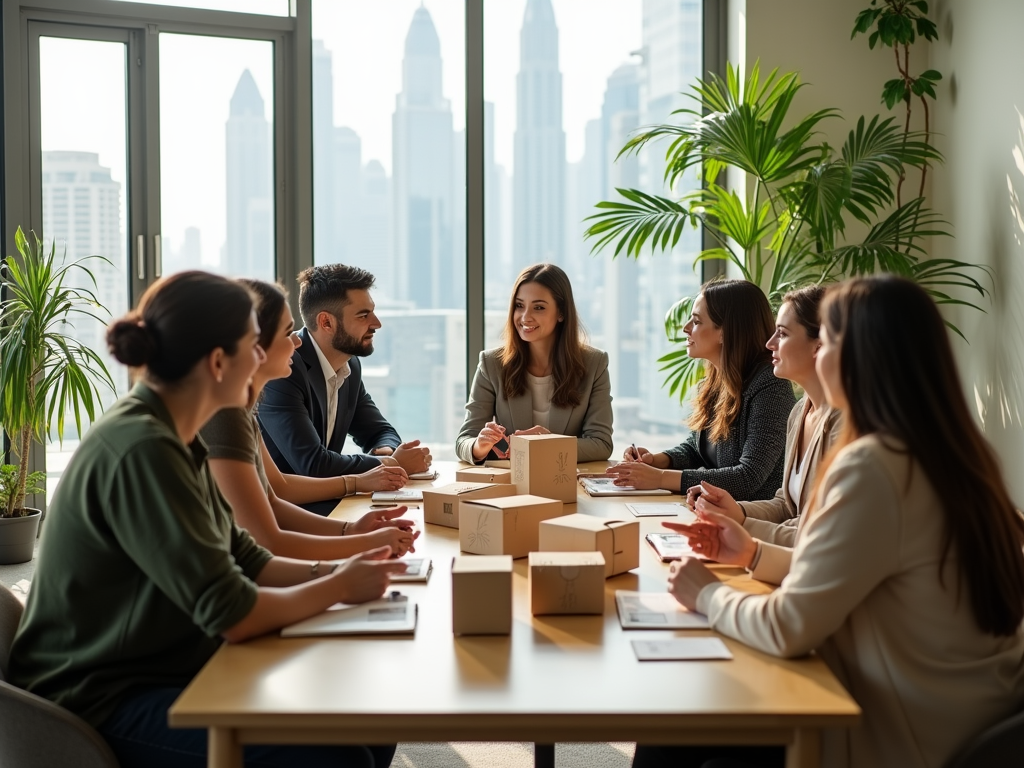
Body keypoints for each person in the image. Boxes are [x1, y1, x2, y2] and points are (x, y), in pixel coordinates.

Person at [9, 272, 404, 768]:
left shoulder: (176, 434)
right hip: (104, 697)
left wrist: (348, 570)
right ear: (219, 362)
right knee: (339, 756)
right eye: (252, 347)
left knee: (370, 718)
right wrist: (340, 585)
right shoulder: (144, 449)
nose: (263, 357)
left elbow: (247, 557)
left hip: (161, 662)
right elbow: (233, 614)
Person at [652, 276, 1024, 768]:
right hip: (964, 717)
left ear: (859, 354)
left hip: (899, 733)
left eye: (824, 338)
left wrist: (705, 593)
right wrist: (752, 552)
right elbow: (854, 567)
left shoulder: (875, 466)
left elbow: (789, 626)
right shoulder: (955, 453)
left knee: (678, 726)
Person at [201, 278, 419, 561]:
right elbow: (267, 539)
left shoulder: (240, 411)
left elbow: (275, 494)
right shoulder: (227, 414)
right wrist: (354, 549)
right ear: (252, 345)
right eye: (287, 332)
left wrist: (352, 531)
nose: (296, 340)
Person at [258, 263, 431, 515]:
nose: (376, 323)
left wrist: (386, 451)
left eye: (373, 312)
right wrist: (391, 463)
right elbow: (312, 464)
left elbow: (379, 430)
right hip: (289, 513)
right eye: (363, 315)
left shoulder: (349, 364)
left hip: (329, 505)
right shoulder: (284, 370)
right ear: (326, 322)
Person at [684, 285, 841, 554]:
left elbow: (820, 533)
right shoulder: (800, 412)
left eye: (783, 333)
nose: (770, 344)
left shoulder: (844, 425)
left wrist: (742, 527)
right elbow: (785, 504)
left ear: (819, 344)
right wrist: (735, 511)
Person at [607, 279, 793, 499]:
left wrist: (659, 478)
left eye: (696, 322)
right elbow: (698, 449)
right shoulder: (713, 381)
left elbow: (748, 477)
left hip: (751, 520)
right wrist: (656, 460)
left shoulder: (771, 387)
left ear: (724, 331)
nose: (686, 328)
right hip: (713, 510)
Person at [455, 263, 613, 464]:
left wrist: (545, 445)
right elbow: (464, 441)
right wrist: (480, 446)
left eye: (538, 307)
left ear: (561, 313)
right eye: (519, 306)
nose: (525, 317)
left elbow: (601, 444)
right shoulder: (491, 364)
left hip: (566, 481)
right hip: (512, 485)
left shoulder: (594, 364)